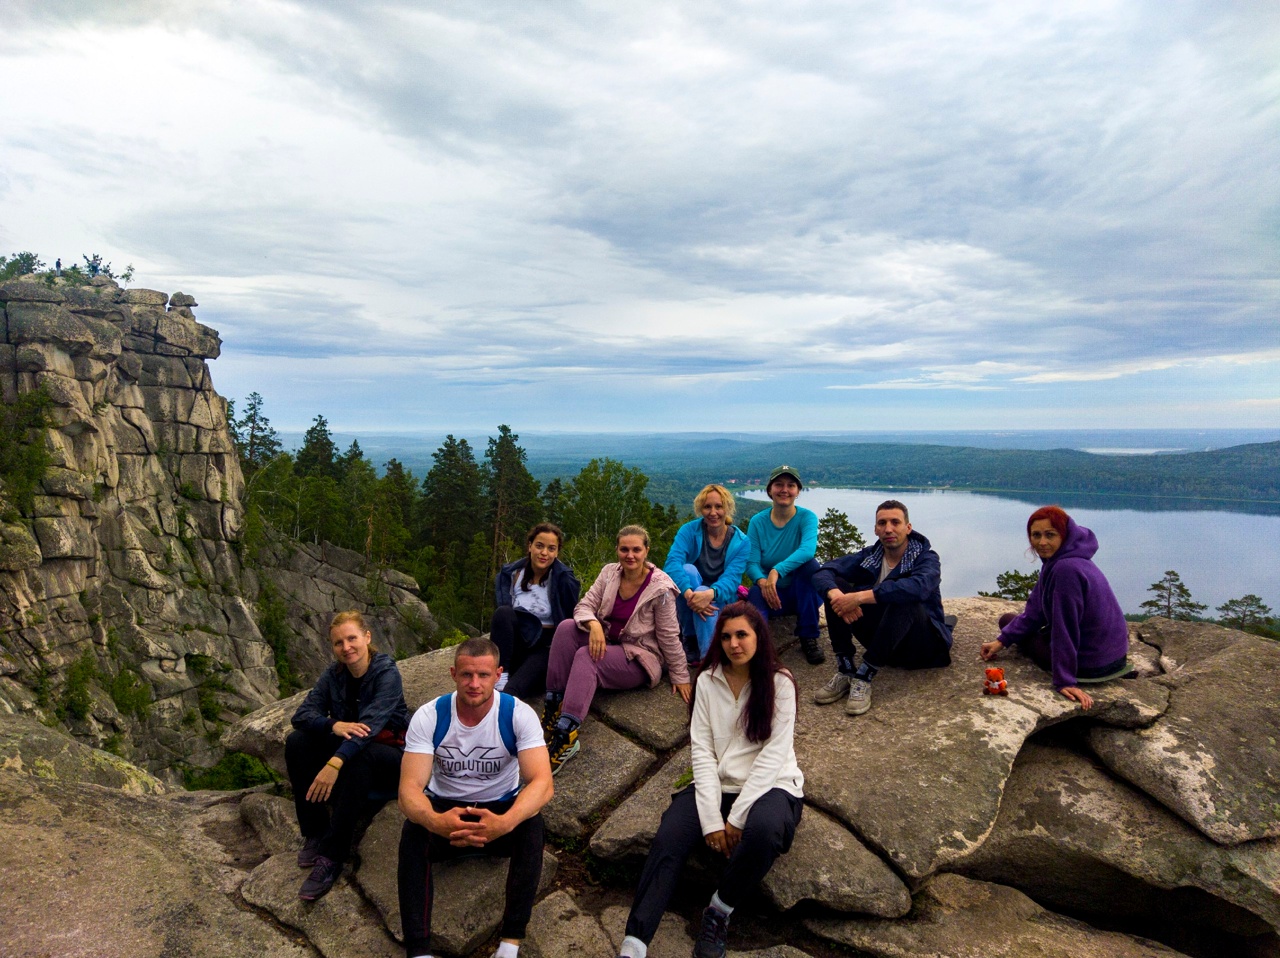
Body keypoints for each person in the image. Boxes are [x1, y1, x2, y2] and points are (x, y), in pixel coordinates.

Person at [618, 602, 804, 958]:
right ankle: (636, 941)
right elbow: (701, 751)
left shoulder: (780, 683)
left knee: (764, 831)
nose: (734, 643)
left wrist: (735, 819)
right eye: (727, 636)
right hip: (718, 784)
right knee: (670, 836)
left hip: (773, 785)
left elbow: (773, 754)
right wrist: (710, 821)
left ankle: (719, 910)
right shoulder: (707, 680)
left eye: (742, 635)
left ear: (758, 637)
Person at [397, 637, 553, 958]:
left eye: (483, 675)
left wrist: (505, 822)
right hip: (446, 809)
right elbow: (409, 791)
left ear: (498, 675)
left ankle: (510, 943)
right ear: (453, 673)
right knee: (413, 831)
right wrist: (435, 821)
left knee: (532, 825)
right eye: (467, 675)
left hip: (499, 809)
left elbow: (542, 784)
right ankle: (419, 950)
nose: (474, 683)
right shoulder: (430, 716)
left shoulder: (516, 715)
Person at [542, 524, 691, 774]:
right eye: (624, 549)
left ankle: (567, 735)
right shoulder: (610, 573)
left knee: (586, 656)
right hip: (609, 643)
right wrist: (594, 625)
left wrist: (681, 675)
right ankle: (554, 704)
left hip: (639, 656)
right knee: (567, 628)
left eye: (636, 550)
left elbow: (669, 636)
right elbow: (584, 606)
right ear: (617, 550)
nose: (630, 555)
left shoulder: (661, 588)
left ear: (647, 551)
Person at [287, 610, 411, 901]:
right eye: (338, 642)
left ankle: (332, 856)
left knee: (360, 756)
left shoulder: (386, 673)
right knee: (297, 742)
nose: (346, 647)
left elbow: (368, 729)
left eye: (352, 638)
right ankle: (315, 831)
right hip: (352, 754)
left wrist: (334, 762)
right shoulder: (334, 675)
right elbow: (301, 716)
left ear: (367, 637)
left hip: (390, 757)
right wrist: (333, 724)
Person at [979, 506, 1130, 710]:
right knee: (1008, 621)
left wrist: (1065, 680)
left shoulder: (1065, 569)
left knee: (1010, 622)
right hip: (1113, 657)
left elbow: (1065, 627)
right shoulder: (1064, 559)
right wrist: (1001, 641)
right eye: (1036, 535)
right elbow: (1034, 611)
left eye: (1050, 535)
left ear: (1064, 535)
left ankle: (1069, 671)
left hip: (1090, 664)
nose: (1042, 542)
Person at [810, 500, 953, 716]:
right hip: (885, 641)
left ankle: (864, 675)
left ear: (908, 527)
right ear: (876, 529)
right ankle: (847, 668)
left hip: (922, 647)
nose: (888, 529)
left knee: (904, 596)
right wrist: (838, 596)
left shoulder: (926, 558)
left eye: (895, 522)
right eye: (882, 523)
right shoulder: (871, 557)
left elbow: (919, 587)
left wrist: (859, 597)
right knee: (836, 588)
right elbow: (823, 572)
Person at [745, 465, 823, 665]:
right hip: (772, 594)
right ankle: (759, 648)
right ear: (770, 490)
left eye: (791, 485)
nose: (784, 490)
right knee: (754, 596)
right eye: (779, 485)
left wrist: (776, 570)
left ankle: (808, 636)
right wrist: (763, 582)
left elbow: (807, 551)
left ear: (798, 491)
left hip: (804, 595)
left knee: (810, 567)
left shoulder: (806, 517)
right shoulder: (758, 522)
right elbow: (752, 562)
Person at [491, 523, 581, 698]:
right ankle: (500, 674)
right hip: (516, 642)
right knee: (503, 613)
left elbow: (571, 617)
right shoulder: (512, 574)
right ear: (530, 546)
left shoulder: (564, 580)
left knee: (511, 692)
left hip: (545, 647)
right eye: (539, 546)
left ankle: (504, 703)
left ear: (557, 552)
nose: (544, 553)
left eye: (551, 548)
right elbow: (503, 621)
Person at [664, 484, 751, 664]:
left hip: (721, 597)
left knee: (703, 589)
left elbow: (732, 579)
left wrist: (708, 594)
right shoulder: (689, 531)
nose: (713, 512)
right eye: (707, 507)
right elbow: (672, 564)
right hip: (692, 595)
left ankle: (707, 659)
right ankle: (690, 638)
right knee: (686, 571)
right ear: (700, 509)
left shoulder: (741, 541)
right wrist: (690, 595)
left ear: (727, 508)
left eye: (718, 506)